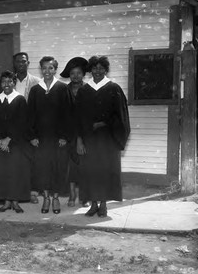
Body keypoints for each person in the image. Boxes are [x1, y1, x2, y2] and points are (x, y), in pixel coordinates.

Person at [76, 55, 130, 217]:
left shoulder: (114, 89)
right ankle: (93, 204)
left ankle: (104, 204)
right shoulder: (84, 91)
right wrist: (79, 140)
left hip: (108, 139)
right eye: (94, 68)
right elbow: (77, 118)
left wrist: (103, 123)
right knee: (90, 171)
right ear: (90, 70)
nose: (97, 71)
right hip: (89, 139)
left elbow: (121, 116)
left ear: (106, 70)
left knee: (106, 170)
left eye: (101, 68)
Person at [27, 56, 71, 214]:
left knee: (58, 168)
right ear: (40, 69)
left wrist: (65, 136)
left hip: (58, 139)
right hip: (41, 139)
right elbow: (30, 116)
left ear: (55, 69)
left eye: (50, 68)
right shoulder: (35, 90)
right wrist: (32, 136)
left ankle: (56, 198)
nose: (47, 71)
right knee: (43, 169)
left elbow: (68, 114)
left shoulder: (62, 88)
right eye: (44, 68)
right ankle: (46, 198)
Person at [0, 70, 30, 213]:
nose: (6, 84)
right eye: (3, 82)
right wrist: (0, 140)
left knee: (15, 172)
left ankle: (16, 201)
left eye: (9, 81)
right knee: (2, 172)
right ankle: (6, 201)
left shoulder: (20, 99)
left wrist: (8, 139)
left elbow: (22, 123)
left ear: (14, 83)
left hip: (16, 142)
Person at [59, 56, 90, 207]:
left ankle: (84, 196)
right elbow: (60, 115)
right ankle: (72, 194)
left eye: (78, 73)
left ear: (83, 74)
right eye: (72, 73)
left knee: (85, 166)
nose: (75, 76)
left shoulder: (89, 90)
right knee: (71, 166)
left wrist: (82, 138)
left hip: (85, 135)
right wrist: (63, 136)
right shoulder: (64, 91)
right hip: (68, 135)